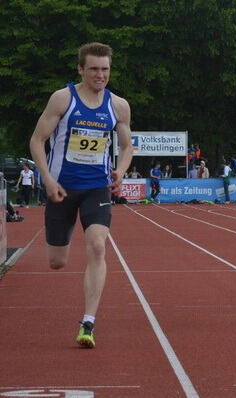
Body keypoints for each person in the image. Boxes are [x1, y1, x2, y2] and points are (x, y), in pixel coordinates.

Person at [28, 42, 133, 348]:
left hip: (97, 187)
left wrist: (121, 171)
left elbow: (127, 146)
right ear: (81, 69)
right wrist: (46, 178)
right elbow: (37, 140)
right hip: (61, 188)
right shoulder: (63, 99)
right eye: (94, 69)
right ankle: (65, 235)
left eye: (105, 69)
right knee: (57, 261)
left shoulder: (119, 105)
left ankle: (88, 322)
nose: (100, 75)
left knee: (98, 247)